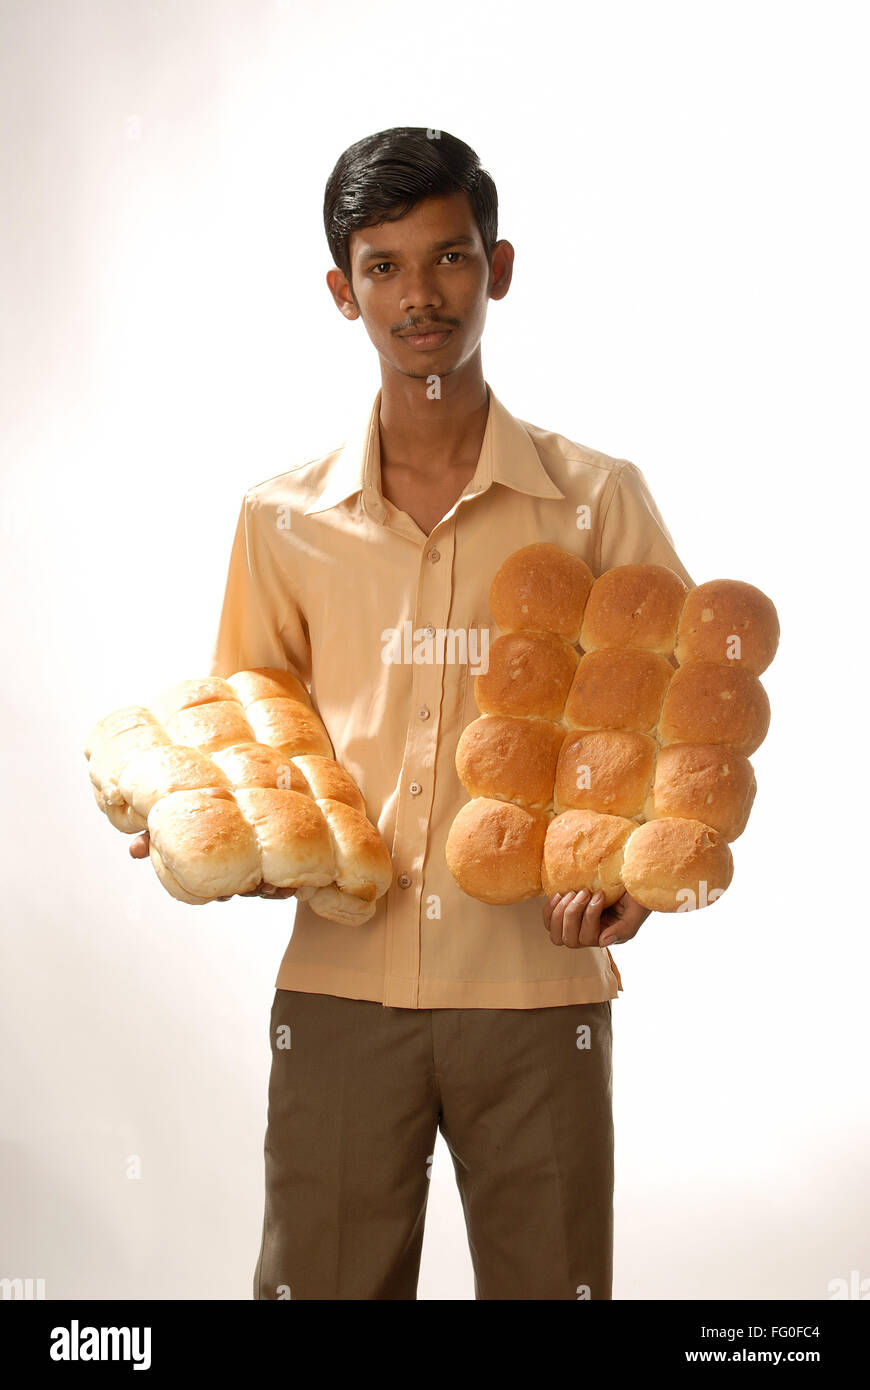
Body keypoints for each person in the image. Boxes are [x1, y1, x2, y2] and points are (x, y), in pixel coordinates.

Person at [130, 127, 693, 1300]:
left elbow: (672, 731)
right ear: (343, 291)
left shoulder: (597, 503)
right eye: (383, 265)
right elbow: (250, 730)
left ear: (500, 269)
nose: (419, 295)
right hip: (340, 995)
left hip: (539, 992)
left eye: (449, 258)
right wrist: (193, 816)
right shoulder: (280, 517)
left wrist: (637, 874)